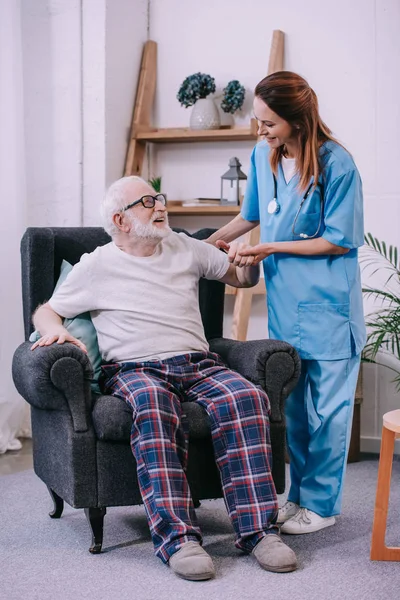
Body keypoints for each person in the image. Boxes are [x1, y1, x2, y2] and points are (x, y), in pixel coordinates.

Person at [31, 176, 297, 580]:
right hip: (135, 369)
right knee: (154, 409)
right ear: (121, 220)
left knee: (246, 397)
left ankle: (260, 530)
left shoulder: (186, 246)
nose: (160, 206)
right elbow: (46, 310)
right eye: (148, 201)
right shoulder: (97, 265)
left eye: (160, 198)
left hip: (198, 363)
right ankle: (179, 539)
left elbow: (239, 279)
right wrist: (56, 328)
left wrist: (248, 265)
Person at [207, 71, 366, 535]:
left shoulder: (338, 165)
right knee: (294, 408)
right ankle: (296, 497)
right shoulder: (264, 155)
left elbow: (339, 240)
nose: (261, 131)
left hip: (329, 308)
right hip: (285, 306)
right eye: (258, 122)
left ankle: (323, 505)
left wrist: (270, 248)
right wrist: (206, 242)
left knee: (329, 412)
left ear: (297, 119)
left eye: (269, 123)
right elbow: (253, 214)